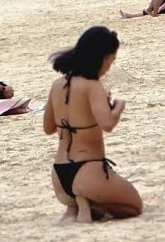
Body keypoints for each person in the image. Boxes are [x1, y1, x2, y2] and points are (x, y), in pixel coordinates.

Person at [43, 27, 142, 223]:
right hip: (88, 170)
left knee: (85, 201)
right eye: (111, 61)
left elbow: (48, 128)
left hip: (60, 173)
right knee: (134, 206)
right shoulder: (92, 86)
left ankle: (76, 206)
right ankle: (86, 202)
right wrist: (118, 107)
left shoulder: (57, 84)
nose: (109, 67)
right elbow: (107, 124)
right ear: (103, 58)